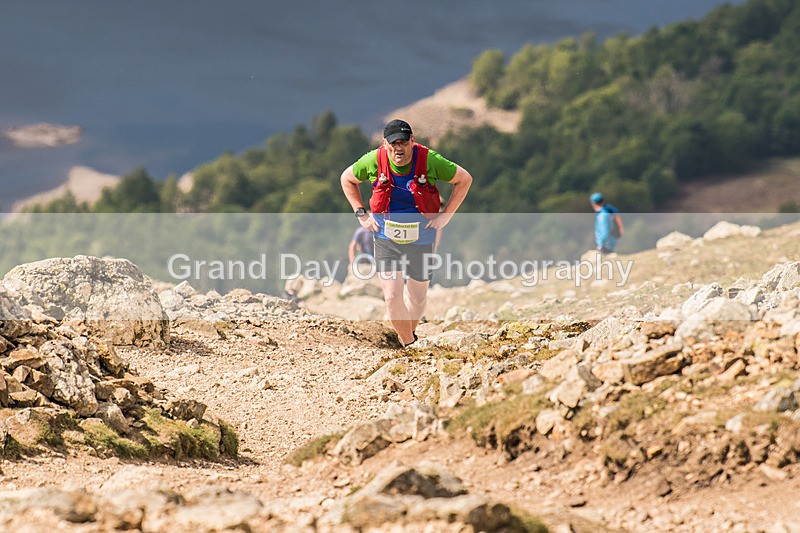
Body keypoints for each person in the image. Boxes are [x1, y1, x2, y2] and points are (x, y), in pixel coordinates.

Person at [340, 119, 473, 347]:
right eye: (393, 143)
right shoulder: (374, 160)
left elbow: (464, 179)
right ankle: (409, 344)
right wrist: (361, 214)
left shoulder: (429, 160)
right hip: (385, 237)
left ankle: (409, 334)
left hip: (422, 236)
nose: (398, 148)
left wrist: (446, 216)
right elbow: (347, 179)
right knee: (392, 297)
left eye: (403, 142)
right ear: (385, 144)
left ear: (413, 141)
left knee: (417, 296)